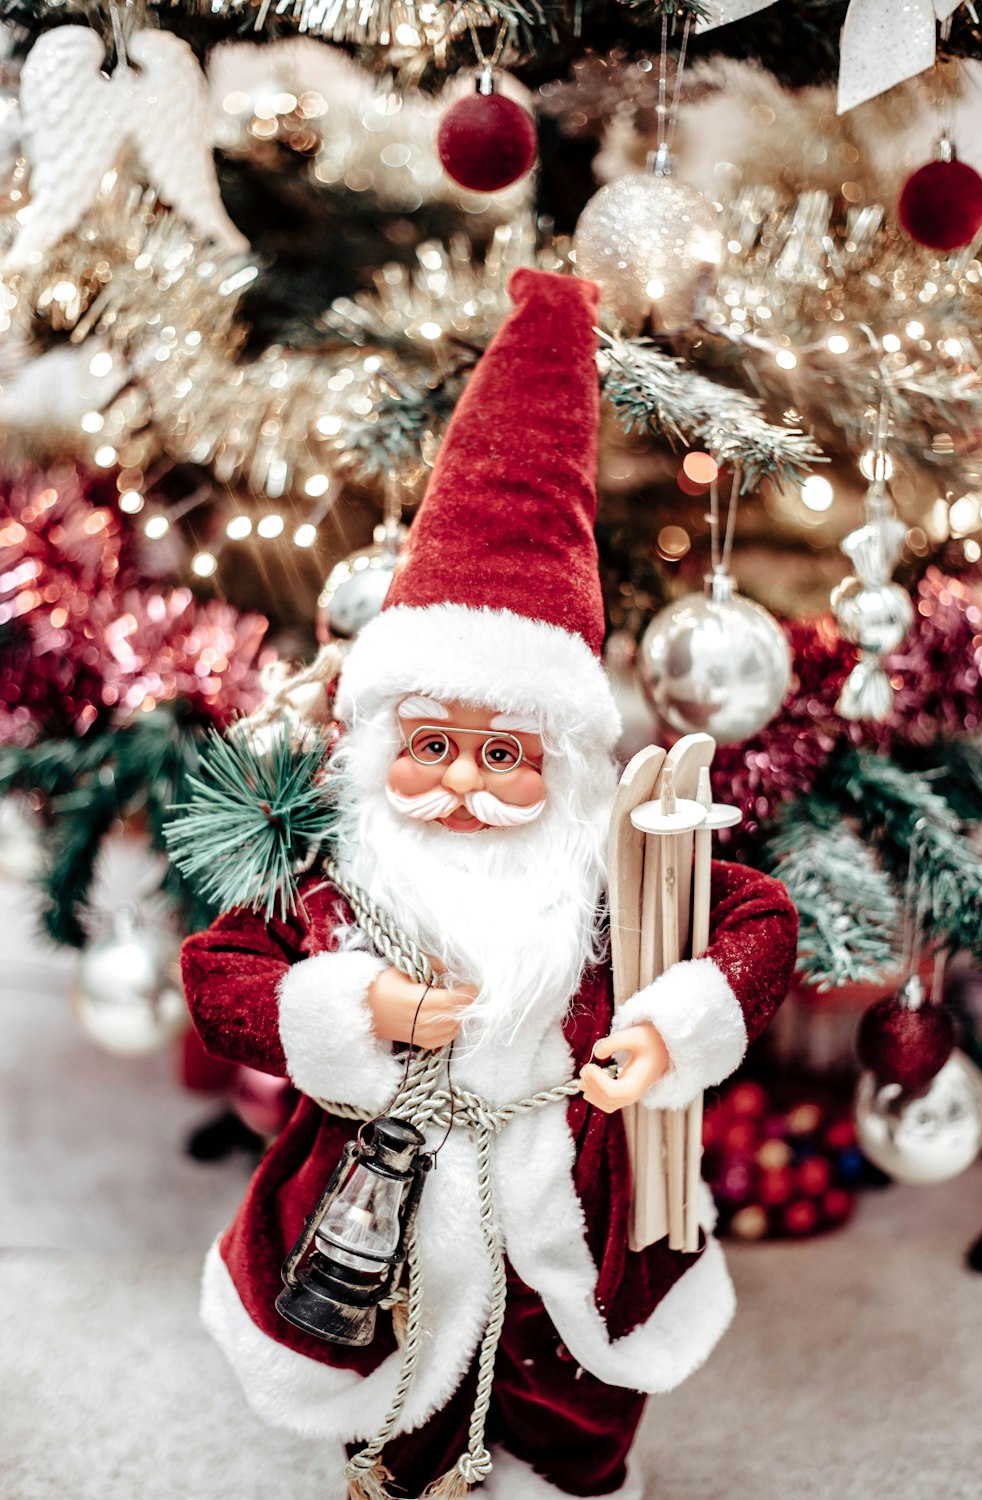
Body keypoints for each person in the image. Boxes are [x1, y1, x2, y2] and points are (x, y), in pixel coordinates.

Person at [181, 268, 798, 1499]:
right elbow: (221, 973)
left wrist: (668, 1030)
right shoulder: (341, 868)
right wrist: (355, 1008)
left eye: (503, 754)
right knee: (392, 1390)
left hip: (571, 1187)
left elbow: (756, 920)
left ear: (561, 763)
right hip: (380, 1210)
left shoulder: (610, 865)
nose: (460, 784)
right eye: (431, 745)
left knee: (576, 1399)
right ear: (378, 742)